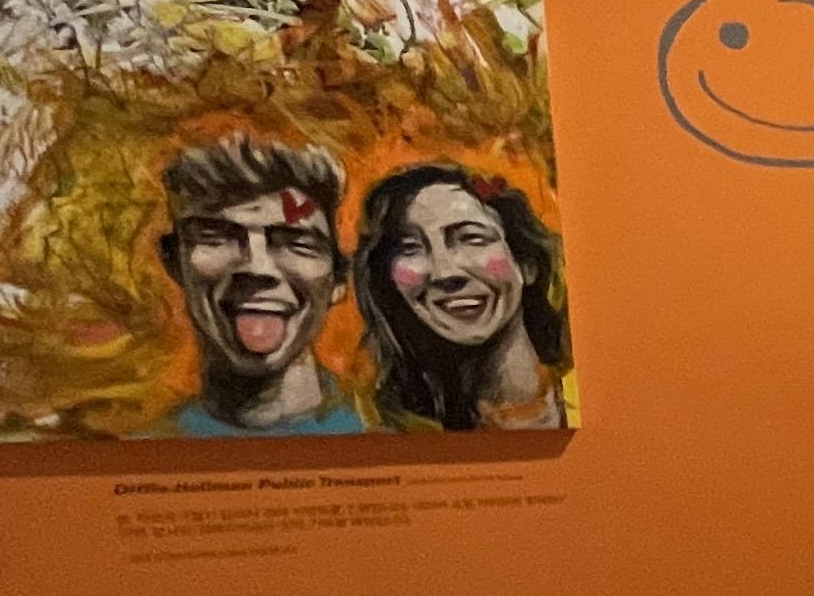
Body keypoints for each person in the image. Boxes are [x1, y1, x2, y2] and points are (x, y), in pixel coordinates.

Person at [154, 134, 364, 436]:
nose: (257, 267)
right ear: (174, 262)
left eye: (297, 243)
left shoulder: (385, 432)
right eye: (216, 236)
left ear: (339, 278)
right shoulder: (145, 447)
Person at [353, 163, 574, 431]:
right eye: (410, 248)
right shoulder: (388, 429)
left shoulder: (584, 394)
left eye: (471, 238)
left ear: (526, 263)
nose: (445, 272)